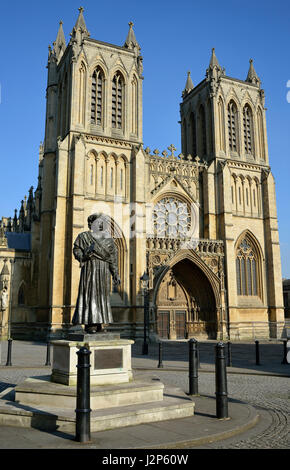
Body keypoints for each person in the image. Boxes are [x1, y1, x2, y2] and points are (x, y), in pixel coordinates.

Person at [72, 213, 120, 333]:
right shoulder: (83, 237)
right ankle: (90, 324)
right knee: (90, 295)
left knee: (102, 297)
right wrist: (83, 255)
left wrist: (115, 273)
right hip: (90, 268)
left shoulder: (108, 239)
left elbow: (113, 258)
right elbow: (76, 250)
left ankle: (100, 323)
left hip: (103, 270)